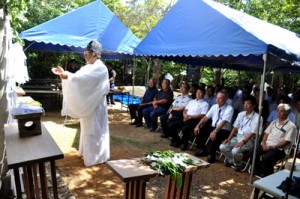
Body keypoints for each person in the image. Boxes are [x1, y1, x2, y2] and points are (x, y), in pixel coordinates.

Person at [51, 40, 110, 167]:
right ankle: (86, 153)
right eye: (85, 52)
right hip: (89, 103)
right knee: (87, 129)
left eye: (87, 53)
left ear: (95, 54)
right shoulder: (88, 67)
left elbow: (85, 80)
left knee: (96, 130)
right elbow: (78, 76)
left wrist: (67, 76)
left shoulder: (101, 68)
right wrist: (64, 73)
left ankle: (96, 156)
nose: (85, 55)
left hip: (96, 105)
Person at [251, 103, 297, 177]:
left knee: (267, 157)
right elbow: (266, 134)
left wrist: (272, 147)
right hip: (267, 145)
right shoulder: (274, 122)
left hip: (279, 149)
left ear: (287, 113)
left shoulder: (291, 126)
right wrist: (263, 143)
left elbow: (286, 141)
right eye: (278, 111)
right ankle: (258, 169)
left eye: (281, 111)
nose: (278, 113)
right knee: (253, 150)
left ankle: (267, 175)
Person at [219, 96, 261, 171]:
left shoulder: (258, 117)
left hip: (249, 139)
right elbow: (235, 127)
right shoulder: (241, 114)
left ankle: (238, 164)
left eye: (248, 104)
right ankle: (232, 161)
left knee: (235, 150)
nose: (245, 105)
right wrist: (229, 138)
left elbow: (253, 133)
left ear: (253, 105)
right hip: (238, 136)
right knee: (223, 146)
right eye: (244, 103)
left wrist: (243, 141)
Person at [194, 90, 234, 163]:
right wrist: (198, 125)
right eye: (216, 98)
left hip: (223, 129)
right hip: (213, 127)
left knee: (215, 135)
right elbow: (206, 117)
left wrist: (215, 131)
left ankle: (212, 155)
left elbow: (223, 122)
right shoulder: (214, 106)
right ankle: (202, 149)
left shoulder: (229, 109)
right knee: (201, 129)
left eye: (220, 98)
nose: (217, 100)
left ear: (225, 99)